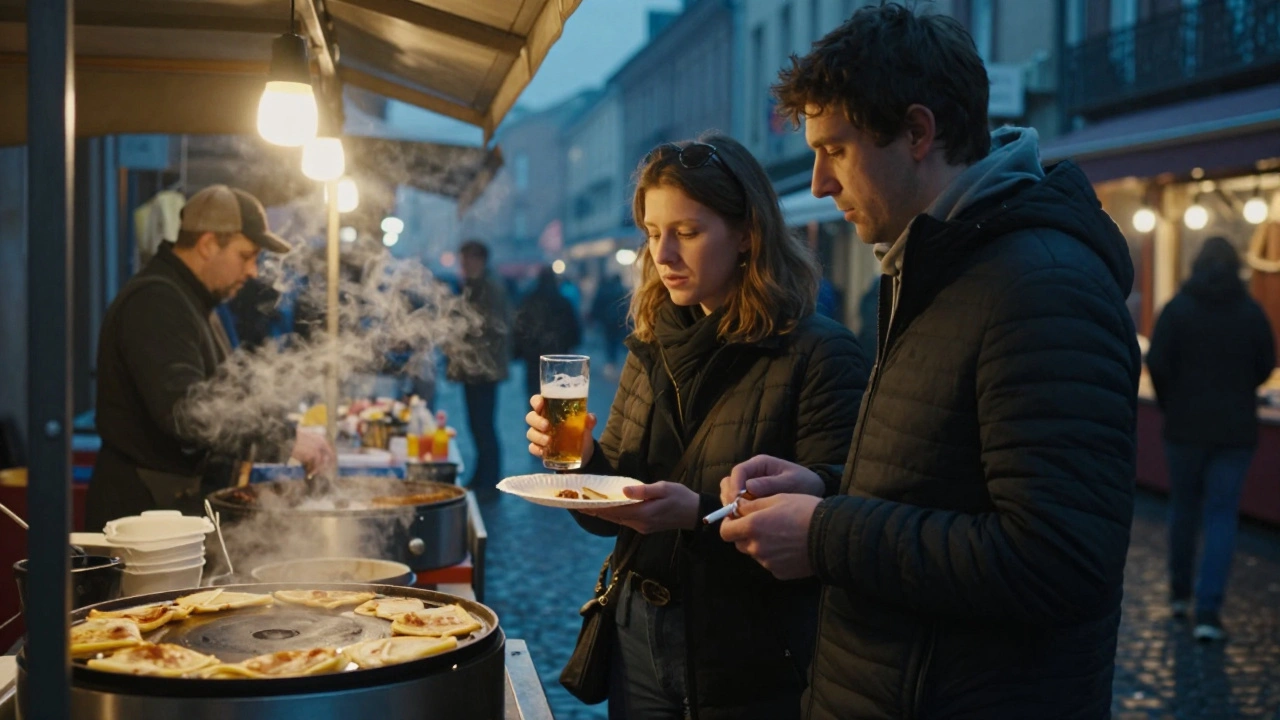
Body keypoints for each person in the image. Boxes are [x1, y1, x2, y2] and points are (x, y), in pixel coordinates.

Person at [718, 5, 1141, 719]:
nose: (819, 183)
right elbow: (948, 482)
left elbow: (1058, 561)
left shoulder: (1042, 286)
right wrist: (828, 490)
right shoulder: (938, 266)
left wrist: (825, 535)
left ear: (918, 132)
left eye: (837, 150)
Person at [525, 134, 869, 719]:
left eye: (686, 232)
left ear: (745, 235)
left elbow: (838, 518)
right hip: (638, 637)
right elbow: (610, 515)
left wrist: (697, 514)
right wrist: (583, 463)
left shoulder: (819, 354)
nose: (664, 255)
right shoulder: (650, 346)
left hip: (751, 655)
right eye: (653, 233)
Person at [87, 185, 334, 530]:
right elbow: (189, 413)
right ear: (207, 245)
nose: (252, 271)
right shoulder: (156, 301)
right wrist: (281, 439)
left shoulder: (198, 301)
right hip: (144, 518)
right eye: (246, 255)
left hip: (172, 509)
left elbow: (226, 393)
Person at [1146, 236, 1276, 641]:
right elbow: (1265, 364)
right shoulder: (1251, 312)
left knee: (1184, 510)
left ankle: (1180, 595)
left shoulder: (1178, 309)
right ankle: (1208, 610)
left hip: (1184, 428)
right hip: (1235, 432)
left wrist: (1172, 403)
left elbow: (1158, 362)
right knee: (1222, 517)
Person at [447, 239, 511, 492]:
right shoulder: (476, 285)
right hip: (475, 369)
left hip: (483, 370)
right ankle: (482, 476)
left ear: (479, 260)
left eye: (467, 259)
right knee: (478, 425)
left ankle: (489, 480)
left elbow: (491, 328)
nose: (463, 264)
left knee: (483, 426)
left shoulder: (488, 287)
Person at [513, 266, 582, 399]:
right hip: (559, 357)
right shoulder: (563, 302)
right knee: (557, 396)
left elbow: (520, 328)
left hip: (533, 358)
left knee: (535, 397)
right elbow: (573, 329)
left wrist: (518, 351)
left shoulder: (529, 300)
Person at [589, 274, 630, 375]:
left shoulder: (604, 290)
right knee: (621, 341)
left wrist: (595, 317)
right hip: (620, 320)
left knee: (610, 342)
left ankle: (611, 364)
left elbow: (597, 304)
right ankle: (627, 363)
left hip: (608, 321)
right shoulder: (623, 290)